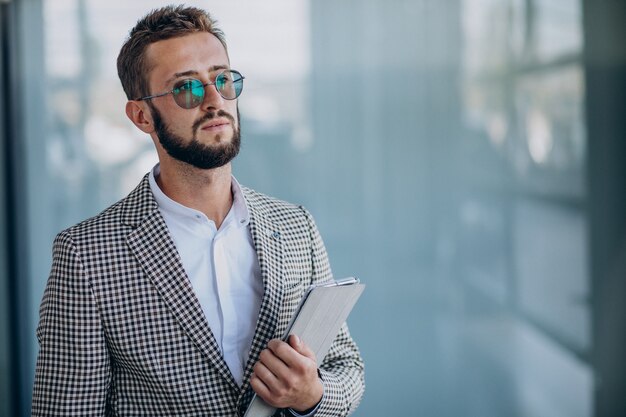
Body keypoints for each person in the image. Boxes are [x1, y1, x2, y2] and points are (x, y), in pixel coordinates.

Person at [31, 5, 364, 417]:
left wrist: (311, 395)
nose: (214, 99)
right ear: (141, 116)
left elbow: (345, 367)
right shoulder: (85, 255)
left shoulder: (296, 226)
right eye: (186, 88)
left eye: (223, 79)